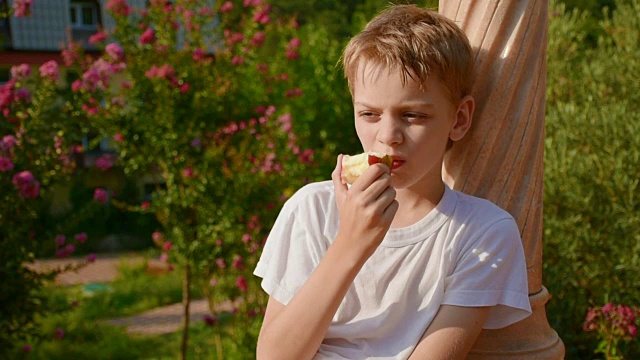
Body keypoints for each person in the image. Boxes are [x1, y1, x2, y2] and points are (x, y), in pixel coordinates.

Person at [253, 4, 531, 359]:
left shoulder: (483, 233)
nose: (388, 136)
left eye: (412, 115)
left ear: (459, 119)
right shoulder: (312, 210)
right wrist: (350, 244)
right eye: (369, 114)